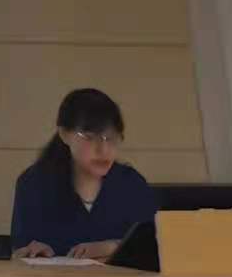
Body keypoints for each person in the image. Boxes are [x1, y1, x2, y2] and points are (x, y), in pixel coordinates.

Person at [10, 87, 157, 260]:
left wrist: (113, 246)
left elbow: (156, 244)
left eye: (110, 138)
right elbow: (19, 249)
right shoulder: (34, 184)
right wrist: (31, 252)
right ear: (64, 134)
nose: (103, 150)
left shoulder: (131, 184)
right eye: (90, 137)